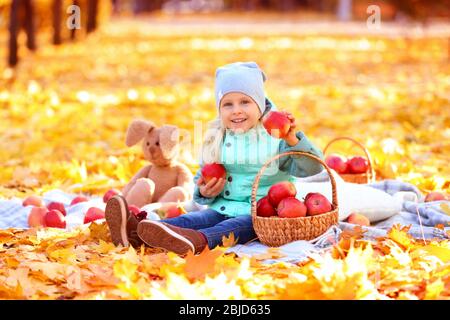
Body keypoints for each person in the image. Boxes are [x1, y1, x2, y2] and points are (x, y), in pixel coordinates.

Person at [105, 61, 324, 255]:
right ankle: (140, 232)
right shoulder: (217, 137)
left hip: (262, 215)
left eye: (245, 102)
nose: (236, 110)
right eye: (228, 104)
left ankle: (197, 241)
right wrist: (204, 191)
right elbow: (202, 180)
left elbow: (312, 167)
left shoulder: (276, 134)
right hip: (223, 207)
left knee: (231, 229)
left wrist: (293, 139)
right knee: (194, 219)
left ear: (259, 104)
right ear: (220, 109)